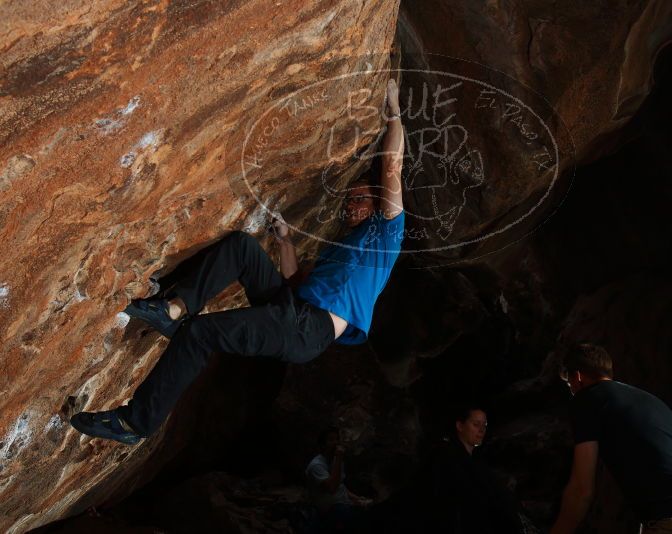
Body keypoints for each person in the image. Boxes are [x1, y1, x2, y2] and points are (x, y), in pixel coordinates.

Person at [70, 78, 405, 444]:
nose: (352, 205)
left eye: (361, 199)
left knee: (199, 336)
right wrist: (286, 242)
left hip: (308, 330)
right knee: (243, 248)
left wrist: (394, 117)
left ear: (378, 207)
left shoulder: (385, 237)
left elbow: (391, 169)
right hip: (294, 309)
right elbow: (293, 282)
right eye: (351, 199)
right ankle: (175, 308)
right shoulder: (339, 251)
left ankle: (135, 423)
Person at [550, 343, 672, 534]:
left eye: (569, 384)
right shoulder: (643, 398)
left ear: (577, 378)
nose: (572, 390)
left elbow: (581, 491)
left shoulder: (588, 399)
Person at [420, 405, 524, 534]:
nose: (481, 430)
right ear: (460, 426)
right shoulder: (447, 456)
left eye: (484, 425)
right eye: (476, 424)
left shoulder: (474, 461)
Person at [305, 427, 372, 532]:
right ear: (322, 445)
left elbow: (340, 486)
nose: (336, 443)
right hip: (328, 509)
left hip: (342, 503)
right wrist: (339, 458)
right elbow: (332, 488)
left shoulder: (335, 461)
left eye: (337, 439)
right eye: (331, 440)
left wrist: (358, 498)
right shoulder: (317, 466)